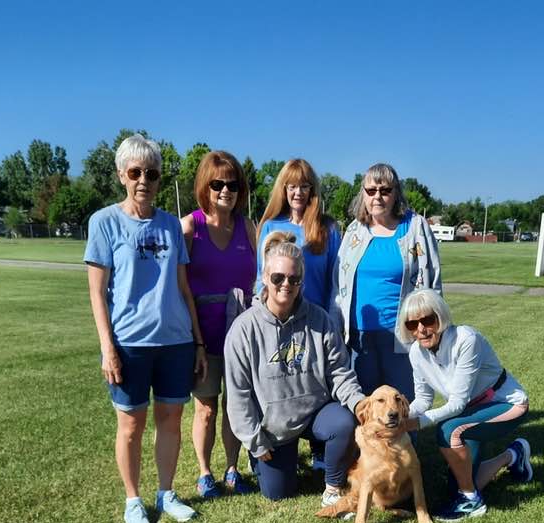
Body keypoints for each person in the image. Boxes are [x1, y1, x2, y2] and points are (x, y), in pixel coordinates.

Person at [85, 134, 207, 523]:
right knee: (131, 425)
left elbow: (184, 288)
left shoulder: (172, 225)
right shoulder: (104, 223)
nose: (144, 181)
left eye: (151, 173)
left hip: (174, 341)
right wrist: (107, 347)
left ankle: (167, 493)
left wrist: (198, 342)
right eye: (135, 172)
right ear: (122, 175)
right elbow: (97, 293)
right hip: (129, 344)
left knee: (170, 419)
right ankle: (133, 500)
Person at [225, 232, 365, 503]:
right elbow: (238, 395)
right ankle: (266, 461)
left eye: (294, 279)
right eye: (278, 277)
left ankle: (333, 486)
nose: (285, 284)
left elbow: (339, 372)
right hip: (274, 423)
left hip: (315, 411)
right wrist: (255, 441)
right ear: (265, 278)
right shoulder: (243, 329)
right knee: (278, 492)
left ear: (301, 281)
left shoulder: (319, 319)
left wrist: (359, 404)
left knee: (343, 422)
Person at [397, 289, 533, 523]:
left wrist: (416, 423)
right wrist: (398, 417)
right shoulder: (416, 353)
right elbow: (423, 399)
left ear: (440, 317)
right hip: (471, 411)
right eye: (412, 324)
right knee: (458, 484)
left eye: (427, 320)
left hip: (506, 403)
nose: (421, 329)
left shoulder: (466, 339)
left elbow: (457, 403)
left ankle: (471, 502)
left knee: (448, 431)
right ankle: (514, 455)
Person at [331, 162, 442, 401]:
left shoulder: (415, 227)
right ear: (363, 194)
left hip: (404, 336)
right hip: (360, 336)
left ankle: (408, 440)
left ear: (396, 193)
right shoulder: (354, 231)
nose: (377, 196)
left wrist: (432, 327)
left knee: (405, 403)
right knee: (367, 407)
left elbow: (433, 278)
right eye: (371, 191)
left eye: (385, 190)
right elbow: (338, 283)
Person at [181, 150, 257, 499]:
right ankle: (204, 471)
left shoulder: (248, 228)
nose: (226, 190)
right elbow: (178, 287)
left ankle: (232, 468)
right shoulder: (190, 227)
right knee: (206, 408)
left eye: (232, 184)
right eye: (217, 184)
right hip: (203, 333)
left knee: (235, 405)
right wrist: (195, 341)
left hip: (241, 335)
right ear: (204, 186)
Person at [256, 158, 341, 309]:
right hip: (279, 319)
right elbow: (260, 277)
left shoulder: (329, 228)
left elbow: (336, 281)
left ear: (312, 190)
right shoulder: (270, 227)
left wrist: (332, 319)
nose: (298, 192)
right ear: (284, 189)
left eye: (304, 186)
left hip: (316, 318)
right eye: (292, 186)